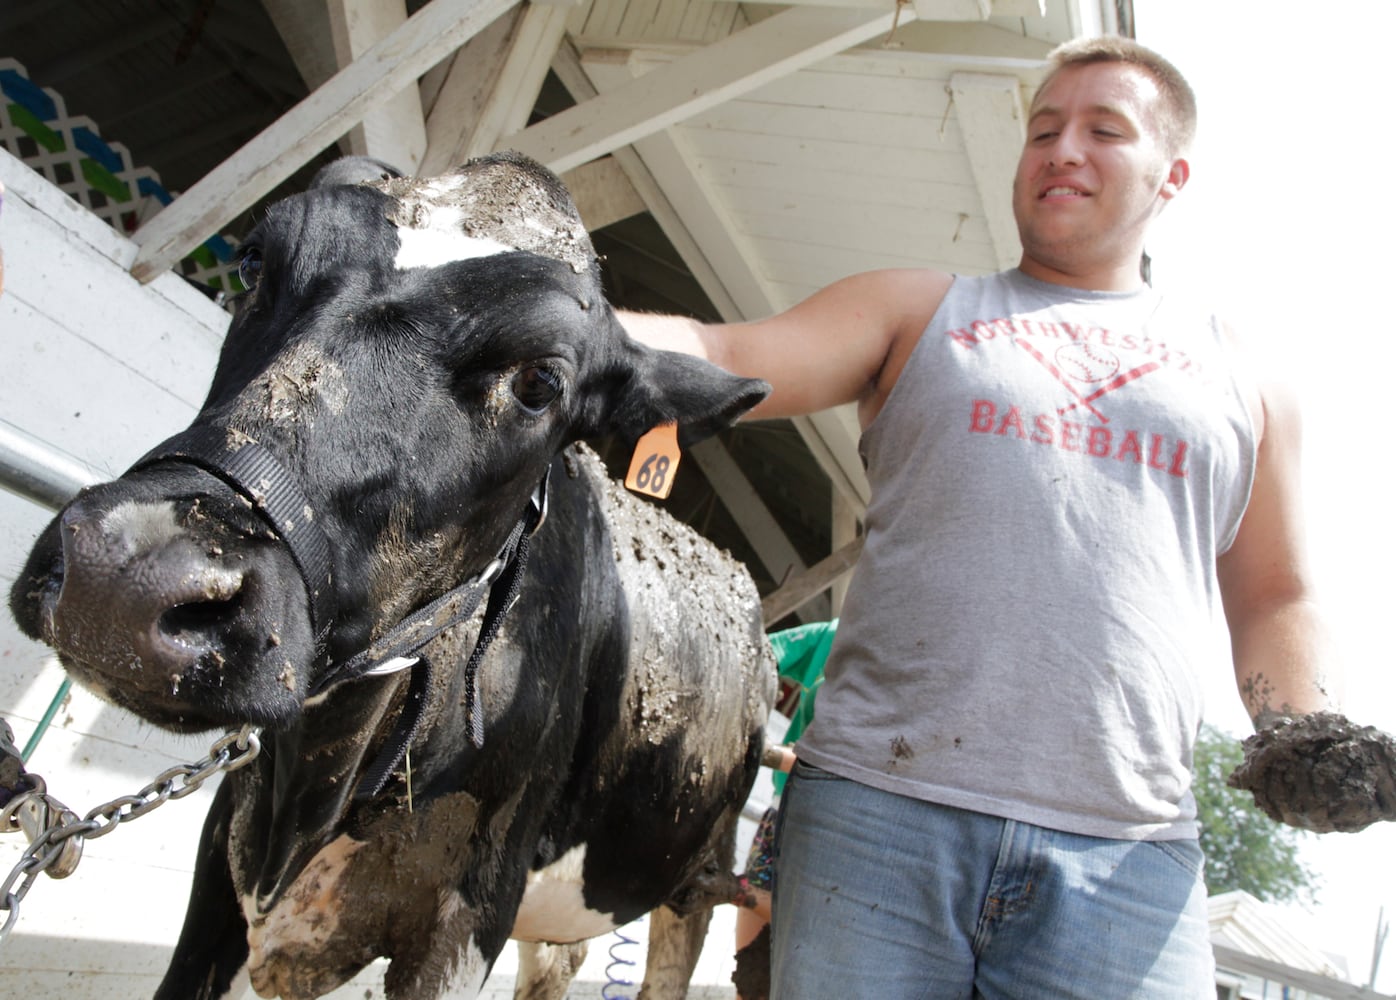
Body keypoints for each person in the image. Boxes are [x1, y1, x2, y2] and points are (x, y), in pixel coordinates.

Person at [621, 35, 1353, 999]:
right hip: (878, 820)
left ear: (1171, 175)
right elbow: (722, 348)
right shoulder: (918, 310)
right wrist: (535, 298)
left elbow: (1276, 590)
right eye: (1043, 130)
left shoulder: (1246, 379)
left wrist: (1302, 731)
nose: (1062, 149)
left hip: (1128, 858)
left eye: (1104, 130)